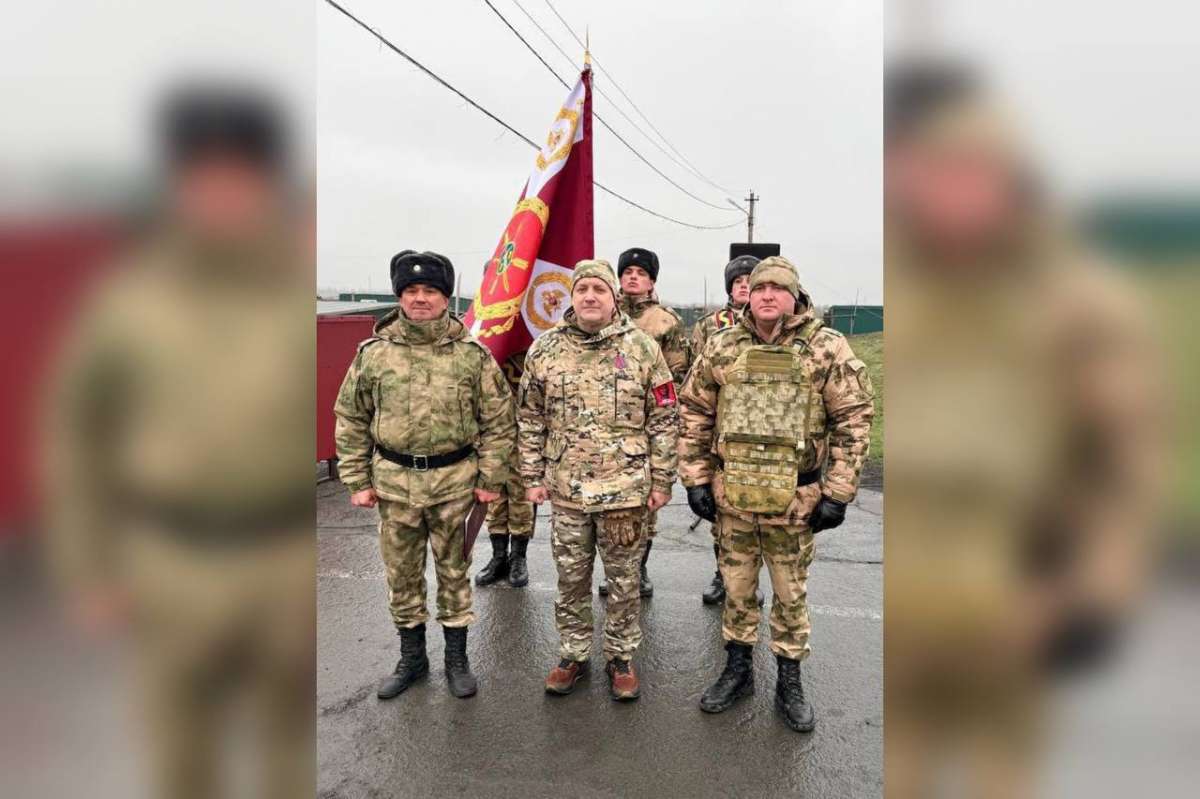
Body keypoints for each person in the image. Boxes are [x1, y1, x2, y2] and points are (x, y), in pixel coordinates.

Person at [44, 84, 316, 799]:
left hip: (283, 558)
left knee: (289, 752)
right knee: (179, 755)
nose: (222, 196)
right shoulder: (129, 299)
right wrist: (88, 568)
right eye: (204, 177)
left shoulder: (294, 286)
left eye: (240, 177)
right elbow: (76, 437)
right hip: (170, 559)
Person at [678, 256, 874, 733]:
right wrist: (696, 478)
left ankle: (789, 679)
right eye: (759, 287)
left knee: (789, 593)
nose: (766, 295)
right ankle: (738, 669)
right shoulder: (724, 346)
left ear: (795, 296)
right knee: (737, 588)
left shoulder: (826, 347)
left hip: (796, 500)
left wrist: (838, 491)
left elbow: (853, 419)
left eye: (777, 288)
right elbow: (695, 411)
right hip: (734, 496)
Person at [334, 250, 515, 700]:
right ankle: (412, 659)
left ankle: (457, 660)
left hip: (455, 485)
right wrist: (357, 480)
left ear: (445, 298)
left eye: (430, 291)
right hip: (394, 485)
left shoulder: (472, 356)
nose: (420, 298)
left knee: (454, 574)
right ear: (399, 296)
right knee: (402, 577)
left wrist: (490, 480)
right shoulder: (374, 355)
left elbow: (499, 421)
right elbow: (351, 417)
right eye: (411, 290)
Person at [518, 260, 678, 701]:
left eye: (599, 289)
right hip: (566, 490)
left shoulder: (643, 347)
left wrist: (662, 481)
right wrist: (531, 475)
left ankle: (621, 657)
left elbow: (665, 418)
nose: (590, 296)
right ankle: (573, 653)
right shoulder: (545, 349)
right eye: (582, 288)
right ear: (572, 296)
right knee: (571, 578)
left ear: (614, 298)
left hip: (625, 490)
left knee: (624, 581)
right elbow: (529, 418)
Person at [595, 246, 690, 598]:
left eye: (641, 273)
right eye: (627, 272)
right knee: (608, 501)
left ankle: (639, 567)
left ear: (652, 281)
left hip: (646, 424)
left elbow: (677, 377)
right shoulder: (605, 313)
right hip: (605, 424)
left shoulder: (665, 321)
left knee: (645, 501)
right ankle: (615, 568)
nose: (633, 278)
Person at [689, 253, 760, 605]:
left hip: (760, 430)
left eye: (750, 281)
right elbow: (695, 377)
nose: (744, 286)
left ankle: (751, 580)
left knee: (762, 507)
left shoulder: (772, 322)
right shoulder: (709, 326)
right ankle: (723, 573)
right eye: (738, 282)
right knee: (721, 510)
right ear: (729, 288)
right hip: (721, 430)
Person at [475, 351, 536, 589]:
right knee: (495, 497)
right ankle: (498, 556)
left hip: (524, 432)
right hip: (494, 434)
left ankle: (518, 558)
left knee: (521, 498)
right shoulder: (487, 350)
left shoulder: (531, 346)